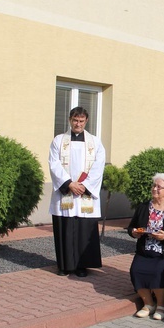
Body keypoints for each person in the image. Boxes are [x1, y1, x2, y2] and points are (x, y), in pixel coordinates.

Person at [48, 106, 105, 277]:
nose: (78, 124)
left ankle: (82, 265)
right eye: (75, 120)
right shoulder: (59, 140)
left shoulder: (95, 142)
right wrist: (68, 184)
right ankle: (64, 265)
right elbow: (54, 164)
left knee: (83, 229)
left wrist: (84, 186)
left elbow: (98, 166)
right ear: (70, 120)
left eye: (81, 121)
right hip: (66, 190)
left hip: (85, 193)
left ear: (86, 121)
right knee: (65, 228)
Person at [128, 174, 164, 320]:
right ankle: (148, 304)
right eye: (154, 186)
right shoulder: (143, 207)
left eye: (159, 187)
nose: (155, 189)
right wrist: (134, 233)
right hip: (145, 249)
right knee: (136, 270)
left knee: (157, 271)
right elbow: (131, 227)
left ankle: (161, 305)